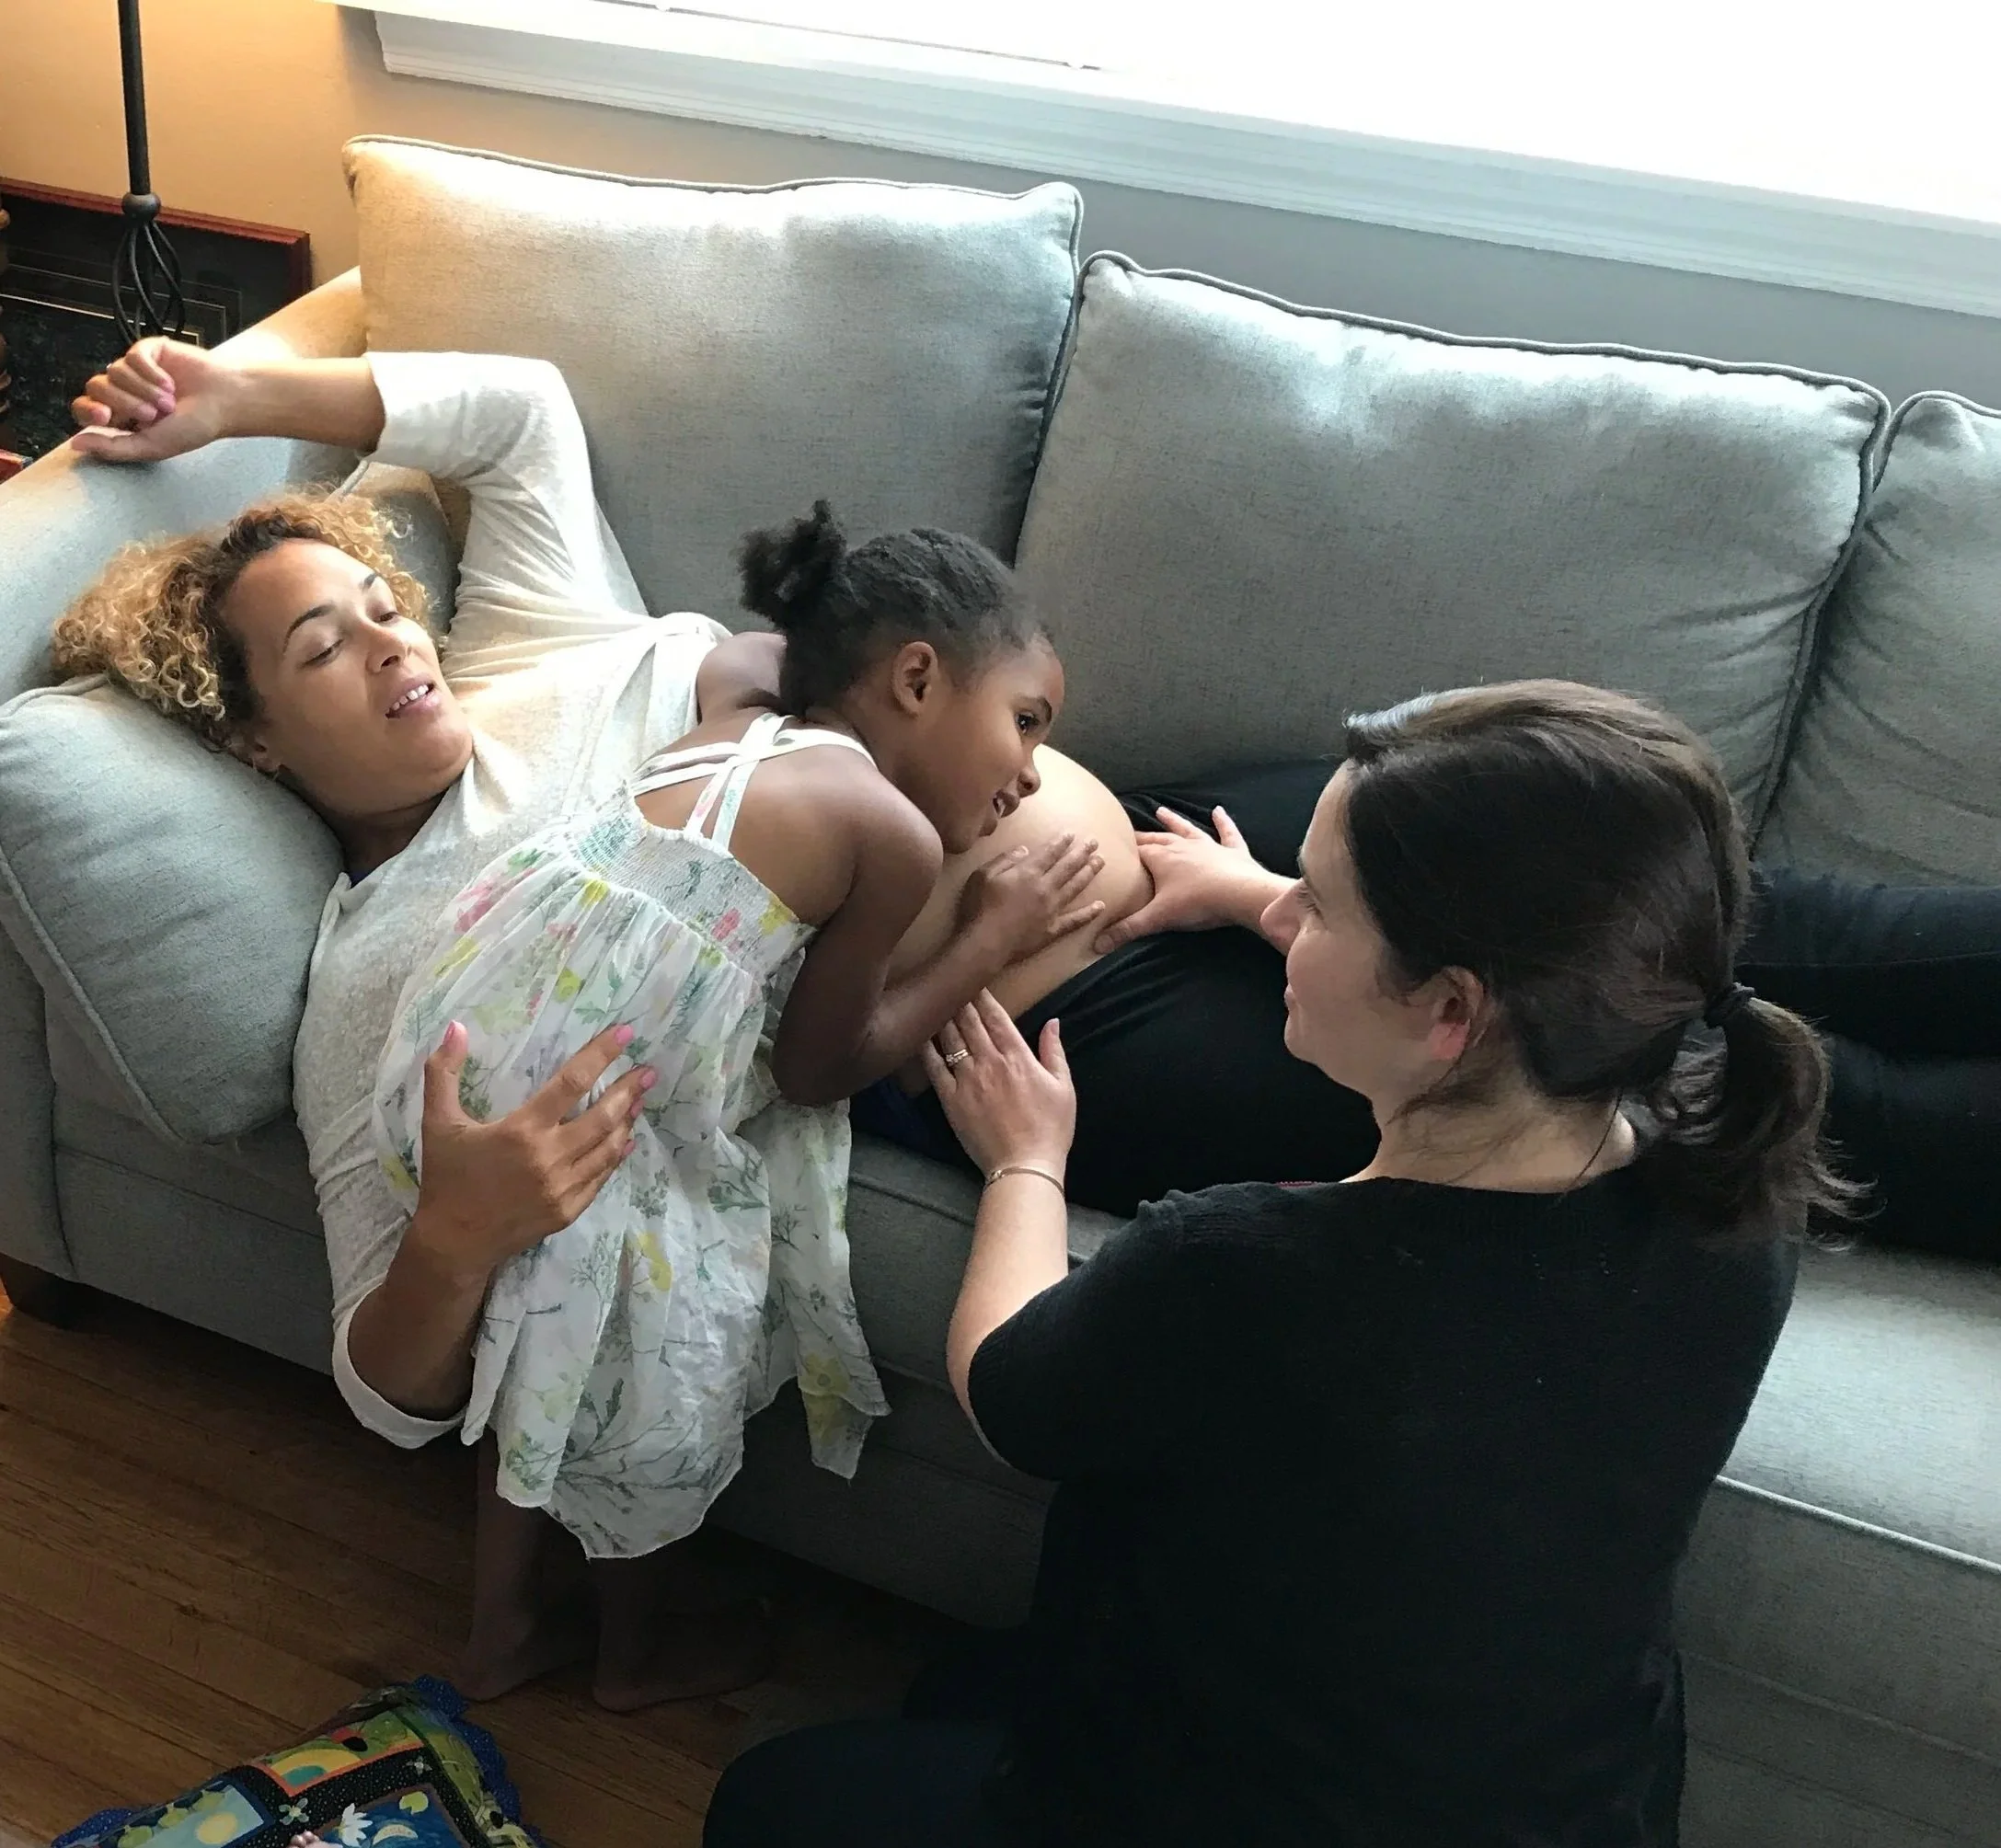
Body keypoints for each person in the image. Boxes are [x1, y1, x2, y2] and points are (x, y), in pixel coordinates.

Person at [55, 341, 1117, 1706]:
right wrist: (457, 1231)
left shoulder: (523, 638)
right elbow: (381, 1378)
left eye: (386, 606)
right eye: (324, 647)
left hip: (1070, 904)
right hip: (1002, 1031)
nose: (391, 642)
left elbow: (519, 413)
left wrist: (237, 397)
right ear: (256, 743)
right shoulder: (379, 975)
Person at [703, 679, 1851, 1848]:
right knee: (966, 1688)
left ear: (1452, 1010)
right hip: (1572, 1808)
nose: (1285, 910)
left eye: (1316, 900)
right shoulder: (1737, 1213)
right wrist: (1247, 896)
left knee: (767, 1801)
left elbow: (1008, 1391)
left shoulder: (1242, 1265)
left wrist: (1025, 1161)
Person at [369, 500, 1109, 1707]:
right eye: (1025, 722)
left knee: (541, 1352)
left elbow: (754, 649)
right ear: (916, 677)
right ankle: (633, 1653)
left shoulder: (736, 711)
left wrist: (828, 648)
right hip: (593, 1126)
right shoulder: (886, 831)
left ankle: (503, 1630)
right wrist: (993, 933)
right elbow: (824, 1065)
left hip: (460, 1064)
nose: (1029, 776)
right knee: (649, 1380)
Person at [865, 754, 2001, 1263]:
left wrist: (1267, 894)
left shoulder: (785, 657)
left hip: (1226, 849)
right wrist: (1276, 903)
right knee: (1710, 1071)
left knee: (1765, 926)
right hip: (1103, 1015)